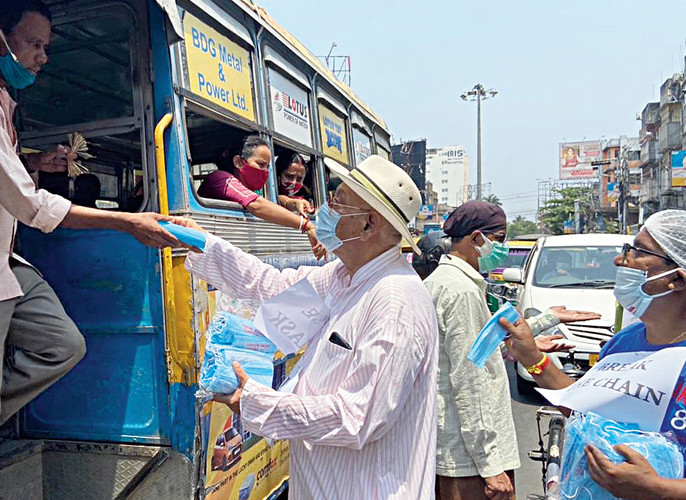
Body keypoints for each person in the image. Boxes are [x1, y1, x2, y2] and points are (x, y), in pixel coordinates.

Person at [0, 1, 183, 497]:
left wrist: (32, 159)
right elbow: (26, 204)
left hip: (2, 262)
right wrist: (126, 221)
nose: (43, 57)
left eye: (46, 47)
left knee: (62, 344)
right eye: (34, 44)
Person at [180, 155, 440, 499]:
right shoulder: (343, 276)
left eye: (338, 201)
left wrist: (258, 403)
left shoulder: (393, 301)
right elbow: (270, 287)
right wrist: (202, 242)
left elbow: (357, 417)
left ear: (368, 224)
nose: (325, 208)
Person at [503, 210, 686, 500]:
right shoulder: (625, 342)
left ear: (676, 279)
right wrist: (532, 357)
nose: (619, 260)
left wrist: (659, 489)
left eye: (635, 251)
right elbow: (586, 408)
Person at [424, 201, 598, 500]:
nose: (502, 248)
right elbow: (469, 382)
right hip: (468, 460)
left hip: (465, 453)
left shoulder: (454, 282)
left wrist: (545, 321)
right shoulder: (460, 291)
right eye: (500, 238)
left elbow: (481, 344)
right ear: (477, 239)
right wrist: (490, 464)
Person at [198, 136, 324, 258]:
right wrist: (307, 225)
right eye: (261, 164)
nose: (265, 172)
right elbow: (257, 205)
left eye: (268, 167)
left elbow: (266, 200)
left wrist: (290, 202)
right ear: (238, 162)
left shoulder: (250, 188)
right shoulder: (220, 178)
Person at [275, 152, 314, 216]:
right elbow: (278, 199)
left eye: (299, 179)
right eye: (290, 176)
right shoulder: (267, 193)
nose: (294, 182)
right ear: (277, 175)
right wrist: (291, 203)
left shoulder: (308, 200)